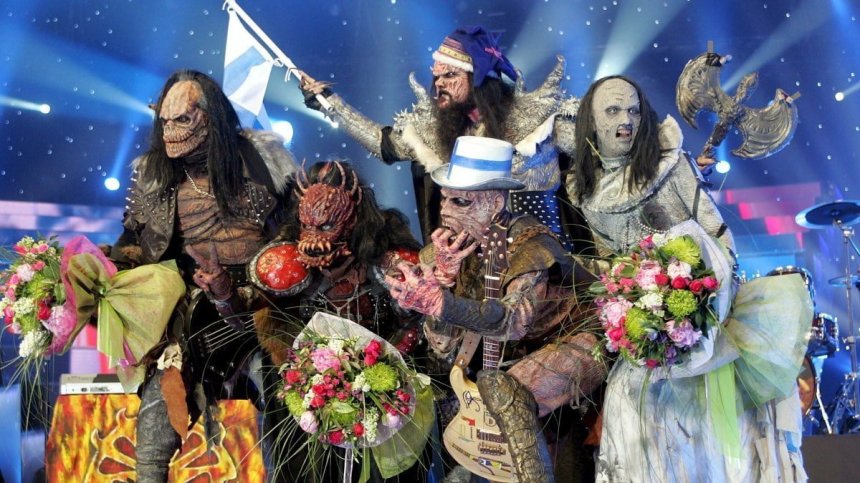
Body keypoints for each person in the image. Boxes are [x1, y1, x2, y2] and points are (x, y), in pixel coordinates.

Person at [565, 75, 809, 482]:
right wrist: (626, 300)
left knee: (715, 453)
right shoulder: (583, 190)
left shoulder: (671, 164)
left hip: (706, 324)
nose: (626, 120)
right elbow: (611, 260)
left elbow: (718, 236)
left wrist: (702, 306)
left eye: (634, 110)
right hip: (647, 339)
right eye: (613, 110)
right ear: (591, 121)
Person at [109, 69, 298, 482]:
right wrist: (102, 273)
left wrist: (274, 277)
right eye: (164, 121)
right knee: (157, 418)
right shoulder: (153, 174)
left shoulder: (261, 159)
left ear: (210, 117)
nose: (170, 131)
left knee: (292, 410)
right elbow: (134, 243)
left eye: (182, 119)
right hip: (198, 310)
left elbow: (294, 230)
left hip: (267, 303)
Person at [385, 136, 605, 482]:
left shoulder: (530, 245)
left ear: (495, 202)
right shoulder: (444, 250)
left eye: (461, 201)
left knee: (508, 390)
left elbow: (513, 322)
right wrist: (442, 285)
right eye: (444, 198)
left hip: (576, 337)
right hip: (507, 359)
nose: (445, 211)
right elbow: (442, 347)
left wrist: (442, 302)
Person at [298, 25, 584, 246]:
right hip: (470, 263)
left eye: (450, 76)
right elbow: (381, 142)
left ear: (479, 78)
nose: (438, 85)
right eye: (436, 77)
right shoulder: (435, 131)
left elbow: (594, 161)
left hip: (545, 259)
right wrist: (331, 104)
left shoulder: (538, 121)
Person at [249, 160, 429, 482]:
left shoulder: (390, 260)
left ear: (353, 218)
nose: (315, 240)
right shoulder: (286, 262)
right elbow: (263, 317)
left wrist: (383, 373)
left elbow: (415, 320)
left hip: (383, 391)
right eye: (309, 227)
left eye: (327, 227)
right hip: (310, 395)